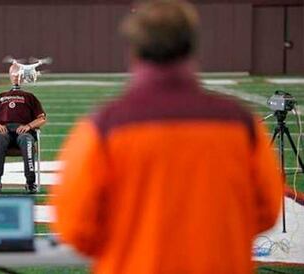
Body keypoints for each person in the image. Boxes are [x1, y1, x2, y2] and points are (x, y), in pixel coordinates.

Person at [52, 1, 283, 273]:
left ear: (134, 49)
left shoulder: (104, 127)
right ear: (193, 45)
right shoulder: (242, 123)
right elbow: (267, 211)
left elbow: (75, 228)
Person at [0, 62, 46, 194]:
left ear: (23, 76)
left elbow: (42, 118)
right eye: (13, 73)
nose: (16, 76)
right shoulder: (0, 96)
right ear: (9, 76)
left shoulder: (30, 97)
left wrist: (29, 126)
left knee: (27, 141)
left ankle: (30, 183)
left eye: (19, 74)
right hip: (3, 131)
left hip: (23, 132)